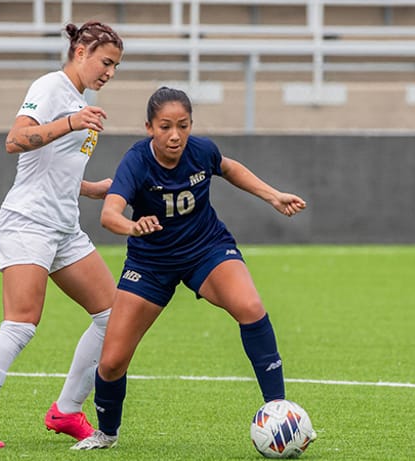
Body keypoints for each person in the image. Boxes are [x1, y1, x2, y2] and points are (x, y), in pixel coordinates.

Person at [72, 87, 307, 450]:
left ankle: (278, 408)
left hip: (205, 249)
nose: (175, 135)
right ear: (149, 127)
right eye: (165, 126)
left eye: (183, 125)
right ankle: (107, 433)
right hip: (150, 263)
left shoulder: (201, 151)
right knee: (113, 362)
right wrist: (134, 227)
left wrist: (273, 195)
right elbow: (109, 214)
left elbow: (229, 168)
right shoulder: (136, 162)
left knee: (250, 307)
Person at [0, 21, 124, 449]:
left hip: (64, 227)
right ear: (80, 51)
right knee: (21, 325)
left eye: (116, 66)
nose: (110, 73)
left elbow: (52, 168)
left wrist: (91, 188)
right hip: (28, 223)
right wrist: (69, 121)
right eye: (106, 62)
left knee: (113, 316)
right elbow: (15, 140)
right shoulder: (51, 88)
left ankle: (66, 411)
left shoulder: (78, 100)